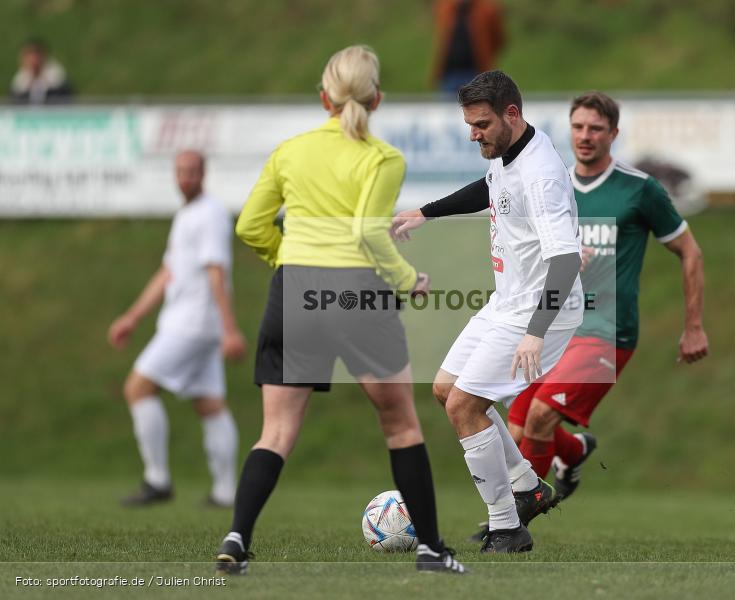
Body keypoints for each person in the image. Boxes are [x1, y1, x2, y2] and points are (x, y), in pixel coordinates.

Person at [213, 45, 465, 576]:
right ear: (376, 98)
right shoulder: (383, 158)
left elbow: (249, 227)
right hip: (356, 295)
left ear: (324, 96)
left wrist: (290, 261)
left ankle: (236, 537)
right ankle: (431, 550)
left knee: (275, 433)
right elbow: (367, 232)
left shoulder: (290, 151)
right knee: (400, 426)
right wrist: (407, 280)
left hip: (294, 290)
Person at [392, 70, 583, 553]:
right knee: (446, 390)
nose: (473, 134)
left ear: (511, 115)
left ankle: (507, 527)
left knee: (464, 405)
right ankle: (527, 486)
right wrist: (426, 213)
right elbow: (490, 188)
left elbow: (564, 259)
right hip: (509, 301)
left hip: (540, 311)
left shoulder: (541, 178)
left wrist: (536, 332)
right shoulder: (507, 152)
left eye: (480, 124)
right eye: (470, 124)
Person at [503, 91, 708, 510]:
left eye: (596, 128)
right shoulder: (552, 186)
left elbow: (690, 251)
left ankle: (511, 521)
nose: (585, 136)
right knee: (517, 426)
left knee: (540, 416)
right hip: (558, 328)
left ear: (613, 134)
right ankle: (574, 452)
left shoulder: (639, 190)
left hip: (607, 332)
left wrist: (693, 327)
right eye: (578, 127)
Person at [108, 150, 246, 508]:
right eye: (180, 171)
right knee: (209, 404)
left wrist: (230, 330)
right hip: (193, 323)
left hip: (192, 323)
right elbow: (168, 272)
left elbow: (217, 271)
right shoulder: (186, 214)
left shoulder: (211, 214)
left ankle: (157, 480)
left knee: (137, 388)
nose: (185, 178)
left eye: (192, 171)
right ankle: (226, 492)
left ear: (204, 173)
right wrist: (132, 317)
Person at [432, 0, 505, 93]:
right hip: (450, 73)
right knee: (448, 106)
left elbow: (498, 39)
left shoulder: (488, 8)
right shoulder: (445, 7)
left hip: (477, 73)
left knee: (476, 105)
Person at [9, 38, 73, 104]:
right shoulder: (18, 84)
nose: (33, 60)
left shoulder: (59, 81)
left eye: (36, 55)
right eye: (28, 56)